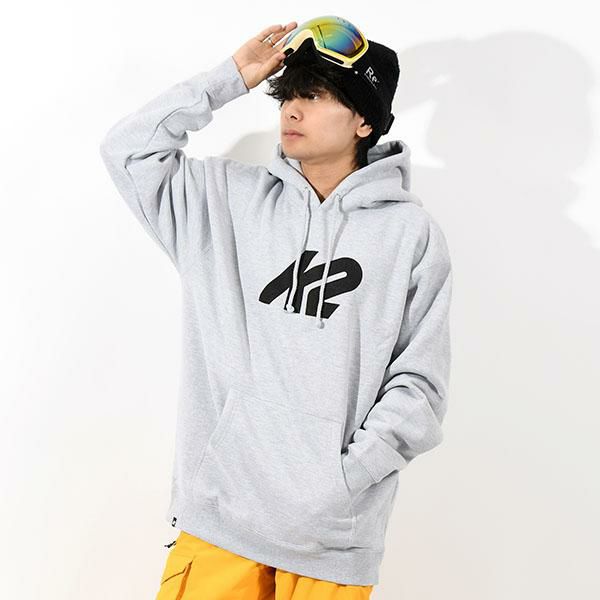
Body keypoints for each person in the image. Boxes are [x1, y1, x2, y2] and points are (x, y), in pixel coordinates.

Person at [99, 16, 453, 600]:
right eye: (289, 95)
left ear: (364, 120)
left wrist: (343, 480)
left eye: (314, 96)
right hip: (220, 523)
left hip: (331, 545)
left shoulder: (409, 235)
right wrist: (229, 79)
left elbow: (420, 387)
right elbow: (127, 151)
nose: (292, 110)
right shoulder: (222, 201)